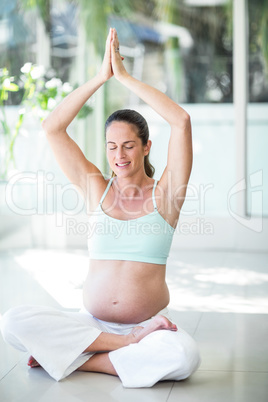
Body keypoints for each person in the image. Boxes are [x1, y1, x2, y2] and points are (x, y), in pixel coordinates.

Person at [0, 28, 200, 388]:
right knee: (12, 322)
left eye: (127, 146)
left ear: (146, 147)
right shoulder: (96, 188)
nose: (118, 156)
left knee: (184, 357)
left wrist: (125, 77)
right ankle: (121, 348)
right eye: (111, 146)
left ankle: (80, 361)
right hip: (90, 324)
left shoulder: (167, 194)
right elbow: (53, 128)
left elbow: (181, 121)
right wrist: (99, 78)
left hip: (149, 326)